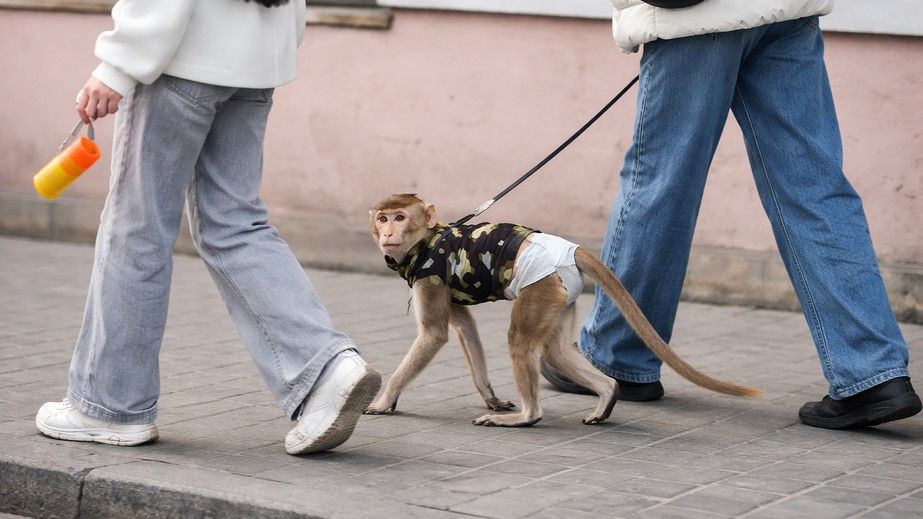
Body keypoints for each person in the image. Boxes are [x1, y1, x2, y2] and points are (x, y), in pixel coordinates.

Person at [541, 0, 921, 429]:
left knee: (661, 186)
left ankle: (618, 356)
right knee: (815, 189)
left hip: (695, 18)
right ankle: (873, 374)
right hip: (787, 9)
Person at [34, 0, 381, 454]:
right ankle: (326, 370)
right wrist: (272, 47)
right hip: (255, 67)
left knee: (137, 231)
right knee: (238, 227)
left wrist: (118, 64)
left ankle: (110, 406)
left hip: (179, 63)